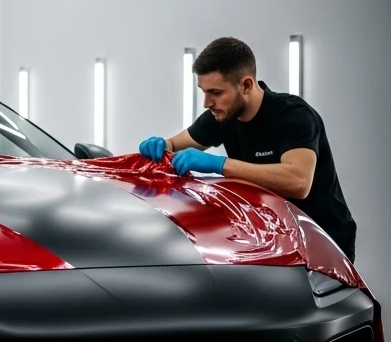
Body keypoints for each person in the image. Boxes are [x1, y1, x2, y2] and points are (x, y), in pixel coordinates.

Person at [137, 36, 359, 261]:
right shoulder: (221, 116)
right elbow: (174, 144)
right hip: (277, 238)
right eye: (203, 92)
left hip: (326, 240)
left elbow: (299, 182)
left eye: (215, 93)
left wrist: (220, 165)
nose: (207, 103)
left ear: (246, 85)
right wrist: (162, 145)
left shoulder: (294, 116)